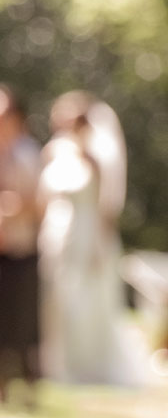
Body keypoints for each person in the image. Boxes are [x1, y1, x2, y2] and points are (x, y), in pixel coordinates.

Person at [39, 92, 140, 387]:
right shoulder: (54, 150)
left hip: (87, 235)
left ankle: (88, 365)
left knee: (85, 300)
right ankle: (57, 363)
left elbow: (105, 208)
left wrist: (100, 246)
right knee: (56, 298)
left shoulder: (97, 155)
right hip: (56, 233)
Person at [0, 87, 45, 404]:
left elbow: (39, 204)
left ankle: (26, 385)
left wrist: (5, 211)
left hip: (21, 246)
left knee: (22, 317)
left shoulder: (27, 153)